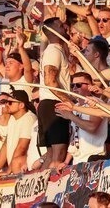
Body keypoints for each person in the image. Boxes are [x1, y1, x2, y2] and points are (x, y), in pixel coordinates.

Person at [37, 17, 72, 168]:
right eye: (60, 25)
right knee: (58, 154)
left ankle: (41, 188)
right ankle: (50, 189)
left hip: (48, 104)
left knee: (51, 155)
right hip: (54, 104)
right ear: (52, 30)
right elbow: (50, 80)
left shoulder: (53, 50)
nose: (65, 27)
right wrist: (68, 101)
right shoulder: (53, 51)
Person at [0, 90, 37, 179]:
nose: (7, 105)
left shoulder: (28, 118)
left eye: (10, 102)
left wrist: (8, 171)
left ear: (21, 105)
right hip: (13, 170)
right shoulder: (12, 119)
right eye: (7, 102)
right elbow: (5, 145)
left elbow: (21, 148)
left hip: (24, 171)